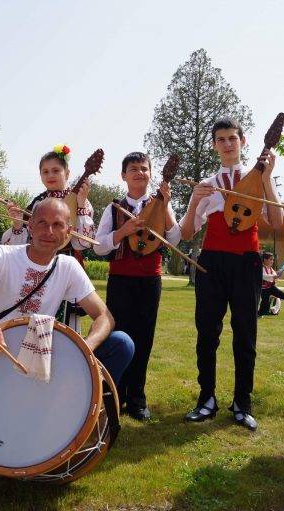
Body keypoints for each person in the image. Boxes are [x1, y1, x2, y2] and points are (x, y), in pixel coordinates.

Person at [0, 198, 134, 388]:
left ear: (68, 231)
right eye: (42, 223)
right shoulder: (1, 254)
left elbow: (104, 317)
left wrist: (86, 349)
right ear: (30, 226)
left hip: (40, 357)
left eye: (57, 225)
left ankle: (86, 408)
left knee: (121, 343)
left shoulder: (68, 267)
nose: (49, 231)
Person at [178, 118, 284, 431]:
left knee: (245, 334)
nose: (227, 144)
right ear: (214, 145)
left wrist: (268, 178)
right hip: (211, 264)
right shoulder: (207, 184)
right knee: (207, 332)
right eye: (220, 139)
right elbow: (186, 232)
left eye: (232, 139)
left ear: (243, 142)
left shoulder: (259, 178)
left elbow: (277, 220)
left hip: (247, 264)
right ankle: (206, 398)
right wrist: (195, 200)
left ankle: (242, 403)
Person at [93, 152, 181, 420]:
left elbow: (175, 240)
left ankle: (137, 398)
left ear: (151, 174)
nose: (139, 173)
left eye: (144, 169)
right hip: (120, 281)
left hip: (149, 281)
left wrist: (164, 205)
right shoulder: (113, 207)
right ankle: (115, 394)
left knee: (144, 337)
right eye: (133, 169)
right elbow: (99, 246)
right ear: (123, 175)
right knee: (117, 335)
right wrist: (124, 232)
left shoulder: (163, 203)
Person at [0, 145, 95, 331]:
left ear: (67, 173)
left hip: (67, 264)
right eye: (45, 171)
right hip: (38, 266)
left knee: (68, 327)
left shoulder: (80, 200)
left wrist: (82, 205)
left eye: (56, 170)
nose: (50, 175)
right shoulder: (37, 203)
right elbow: (21, 243)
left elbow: (83, 242)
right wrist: (18, 224)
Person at [258, 252, 284, 316]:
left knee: (280, 294)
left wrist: (277, 274)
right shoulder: (262, 268)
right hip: (263, 289)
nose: (272, 261)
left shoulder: (270, 268)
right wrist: (274, 276)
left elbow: (274, 275)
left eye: (273, 259)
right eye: (271, 259)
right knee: (265, 302)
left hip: (270, 287)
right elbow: (264, 276)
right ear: (265, 260)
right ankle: (261, 313)